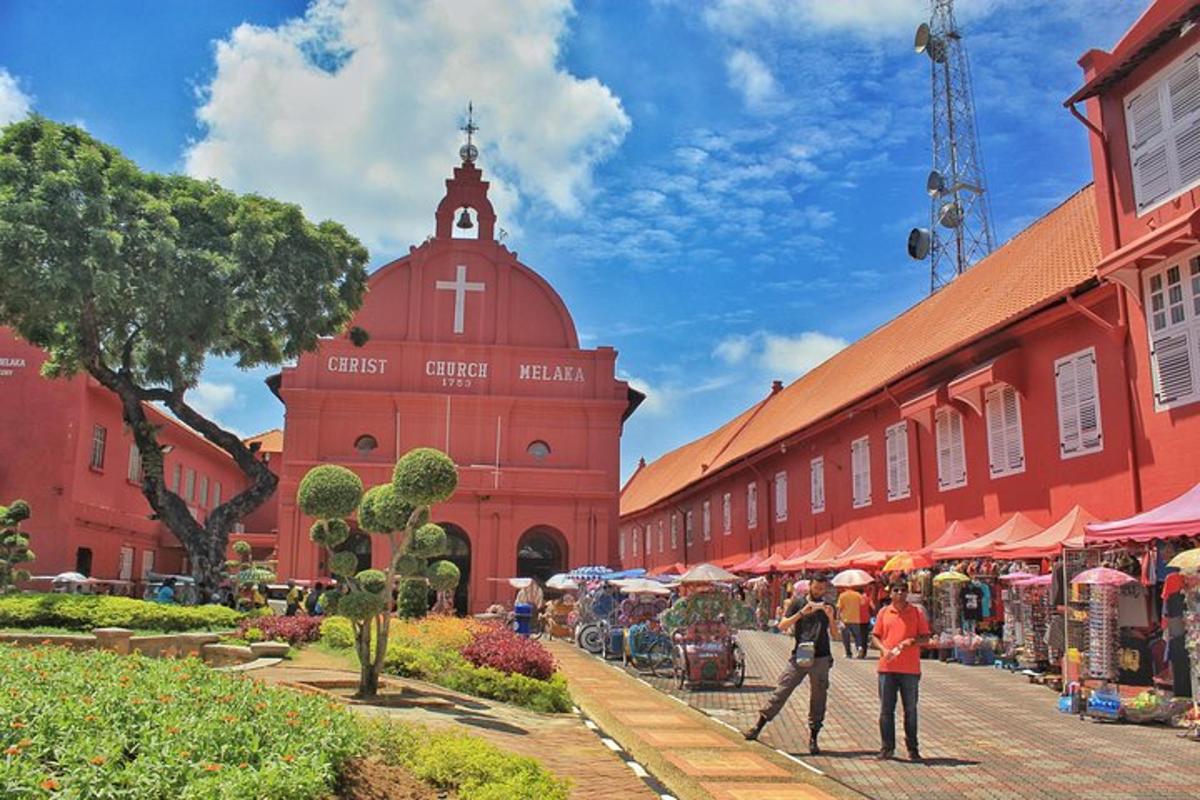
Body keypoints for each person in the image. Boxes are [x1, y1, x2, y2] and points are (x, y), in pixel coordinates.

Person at [743, 576, 835, 754]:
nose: (819, 592)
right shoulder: (798, 602)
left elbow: (836, 634)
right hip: (802, 651)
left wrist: (830, 617)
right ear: (810, 586)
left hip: (822, 655)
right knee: (783, 688)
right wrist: (802, 613)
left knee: (819, 696)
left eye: (822, 589)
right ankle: (758, 725)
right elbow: (782, 625)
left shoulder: (828, 606)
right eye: (816, 588)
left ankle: (813, 738)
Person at [871, 580, 931, 762]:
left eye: (903, 590)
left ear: (907, 593)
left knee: (910, 710)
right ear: (890, 593)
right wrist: (883, 649)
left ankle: (912, 748)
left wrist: (912, 642)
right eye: (896, 590)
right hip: (887, 668)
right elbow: (875, 636)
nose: (899, 593)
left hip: (909, 669)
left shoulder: (915, 612)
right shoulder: (884, 612)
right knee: (886, 710)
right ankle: (887, 747)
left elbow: (926, 638)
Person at [837, 585, 870, 658]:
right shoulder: (858, 595)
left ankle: (848, 653)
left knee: (846, 637)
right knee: (857, 636)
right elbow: (863, 603)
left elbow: (839, 608)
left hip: (845, 619)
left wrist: (838, 618)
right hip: (856, 618)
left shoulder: (842, 595)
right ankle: (859, 647)